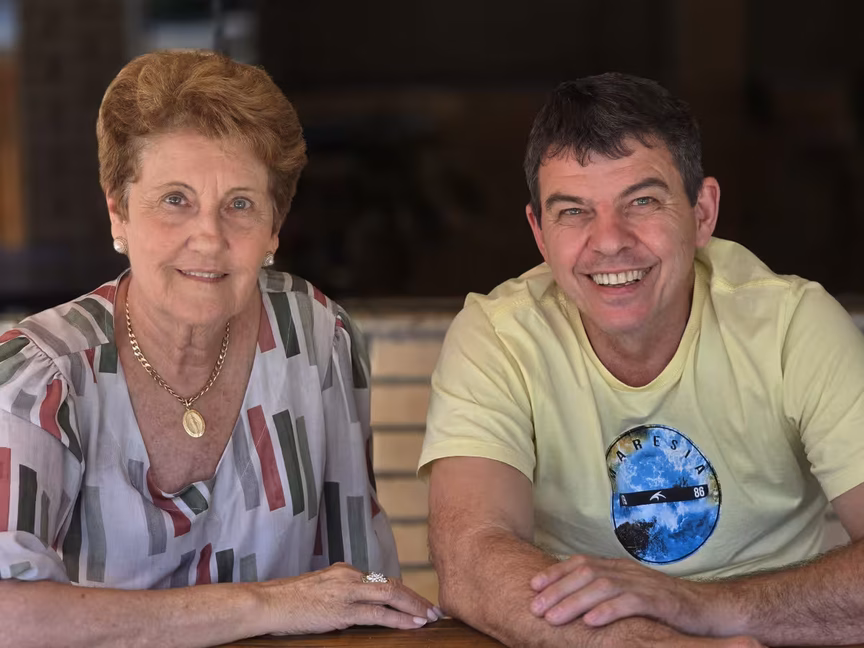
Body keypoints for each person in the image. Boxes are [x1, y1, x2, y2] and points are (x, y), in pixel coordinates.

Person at [0, 50, 439, 648]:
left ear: (274, 228)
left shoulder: (315, 337)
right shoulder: (39, 376)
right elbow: (9, 615)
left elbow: (360, 581)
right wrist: (260, 605)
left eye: (239, 204)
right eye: (175, 199)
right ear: (118, 212)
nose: (208, 237)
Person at [420, 72, 864, 647]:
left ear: (702, 212)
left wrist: (709, 608)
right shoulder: (499, 335)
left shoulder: (793, 325)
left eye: (643, 201)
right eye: (573, 211)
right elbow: (470, 562)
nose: (609, 241)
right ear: (539, 233)